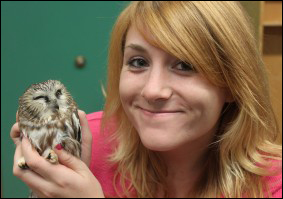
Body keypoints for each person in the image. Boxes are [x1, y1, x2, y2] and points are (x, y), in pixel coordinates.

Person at [11, 1, 282, 198]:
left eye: (185, 65)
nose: (153, 91)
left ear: (232, 85)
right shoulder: (87, 141)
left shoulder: (273, 184)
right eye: (138, 62)